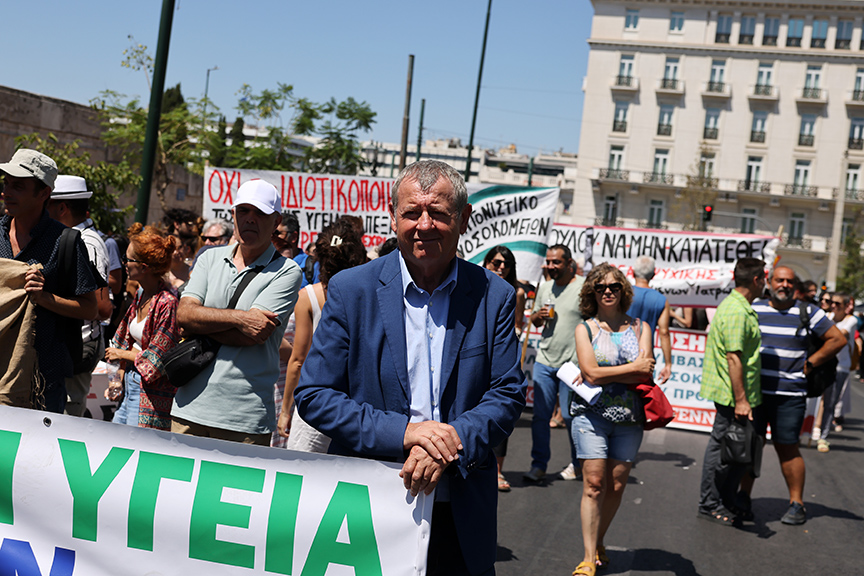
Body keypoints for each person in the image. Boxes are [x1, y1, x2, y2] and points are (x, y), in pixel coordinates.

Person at [294, 160, 526, 576]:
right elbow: (315, 395)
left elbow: (507, 394)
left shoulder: (495, 295)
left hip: (461, 511)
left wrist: (448, 443)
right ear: (393, 216)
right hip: (368, 508)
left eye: (438, 213)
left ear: (463, 218)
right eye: (412, 212)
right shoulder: (351, 290)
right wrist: (407, 433)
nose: (424, 225)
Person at [171, 180, 302, 445]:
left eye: (260, 213)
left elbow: (253, 336)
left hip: (244, 418)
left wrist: (201, 320)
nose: (250, 219)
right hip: (188, 408)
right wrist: (241, 318)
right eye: (243, 211)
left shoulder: (288, 271)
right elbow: (184, 316)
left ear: (276, 220)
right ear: (233, 215)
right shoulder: (208, 257)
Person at [568, 263, 654, 576]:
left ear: (623, 292)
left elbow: (646, 370)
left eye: (614, 287)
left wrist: (600, 374)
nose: (608, 291)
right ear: (592, 291)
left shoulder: (640, 327)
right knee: (593, 484)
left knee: (616, 486)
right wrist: (624, 370)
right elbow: (590, 372)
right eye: (601, 287)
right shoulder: (585, 329)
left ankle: (599, 539)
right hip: (590, 415)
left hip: (630, 417)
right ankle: (588, 557)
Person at [0, 149, 99, 412]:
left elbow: (91, 308)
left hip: (41, 383)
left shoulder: (65, 241)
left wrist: (44, 298)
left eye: (18, 186)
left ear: (44, 194)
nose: (6, 192)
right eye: (6, 183)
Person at [748, 265, 845, 525]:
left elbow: (837, 339)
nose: (784, 285)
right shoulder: (755, 309)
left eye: (790, 282)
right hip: (755, 396)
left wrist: (812, 361)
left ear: (796, 286)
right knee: (749, 447)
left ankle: (796, 504)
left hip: (790, 396)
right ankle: (741, 500)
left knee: (788, 448)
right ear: (769, 282)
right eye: (779, 280)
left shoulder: (808, 312)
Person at [276, 218, 367, 451]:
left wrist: (286, 411)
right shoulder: (368, 295)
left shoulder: (307, 297)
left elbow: (298, 361)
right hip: (355, 408)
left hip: (313, 405)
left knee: (302, 477)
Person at [696, 258, 765, 527]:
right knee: (722, 450)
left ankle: (723, 499)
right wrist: (741, 400)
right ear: (757, 280)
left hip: (734, 393)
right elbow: (734, 358)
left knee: (734, 452)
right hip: (731, 395)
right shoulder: (737, 312)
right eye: (765, 280)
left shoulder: (739, 306)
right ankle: (709, 503)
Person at [46, 175, 114, 416]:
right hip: (67, 344)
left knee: (68, 415)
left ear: (62, 208)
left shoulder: (86, 242)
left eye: (48, 204)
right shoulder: (70, 238)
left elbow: (102, 307)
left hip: (78, 345)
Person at [104, 224, 180, 430]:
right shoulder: (140, 294)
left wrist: (122, 354)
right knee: (117, 438)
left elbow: (158, 360)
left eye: (128, 259)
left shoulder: (167, 302)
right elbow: (123, 337)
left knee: (135, 447)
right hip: (130, 381)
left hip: (149, 392)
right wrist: (117, 378)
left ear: (144, 267)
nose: (124, 264)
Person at [524, 244, 584, 483]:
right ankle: (538, 465)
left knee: (570, 417)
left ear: (569, 263)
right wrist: (538, 316)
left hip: (572, 364)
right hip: (544, 361)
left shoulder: (582, 288)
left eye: (556, 262)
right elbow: (536, 321)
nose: (551, 266)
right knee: (540, 417)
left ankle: (578, 463)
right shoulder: (545, 287)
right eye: (548, 262)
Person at [483, 245, 526, 492]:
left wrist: (513, 335)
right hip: (478, 354)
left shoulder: (516, 292)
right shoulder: (476, 284)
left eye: (506, 264)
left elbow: (518, 323)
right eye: (496, 262)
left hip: (502, 354)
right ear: (487, 262)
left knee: (501, 406)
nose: (501, 268)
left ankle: (498, 470)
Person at [812, 293, 857, 452]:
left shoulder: (851, 320)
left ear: (846, 307)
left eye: (838, 304)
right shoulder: (827, 316)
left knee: (830, 402)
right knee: (817, 399)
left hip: (840, 367)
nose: (833, 306)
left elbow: (839, 336)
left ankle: (822, 436)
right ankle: (813, 428)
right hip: (824, 364)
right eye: (832, 303)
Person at [627, 255, 672, 383]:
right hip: (646, 357)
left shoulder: (623, 294)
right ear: (653, 274)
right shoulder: (661, 300)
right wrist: (668, 364)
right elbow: (664, 333)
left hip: (621, 353)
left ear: (633, 272)